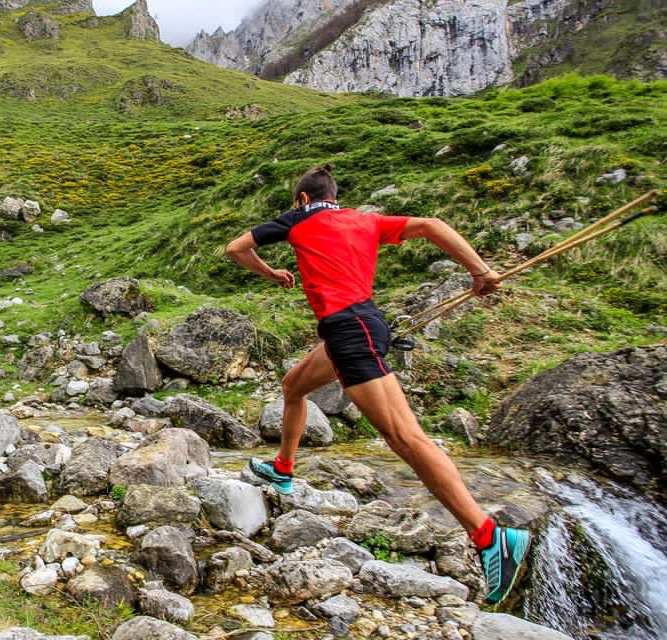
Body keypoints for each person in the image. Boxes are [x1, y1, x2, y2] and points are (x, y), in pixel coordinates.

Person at [225, 163, 531, 605]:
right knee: (294, 386)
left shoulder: (301, 218)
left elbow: (236, 248)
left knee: (405, 438)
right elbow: (431, 225)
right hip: (355, 326)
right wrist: (480, 272)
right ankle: (284, 469)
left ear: (303, 199)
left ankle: (489, 537)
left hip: (351, 331)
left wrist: (272, 273)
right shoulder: (364, 220)